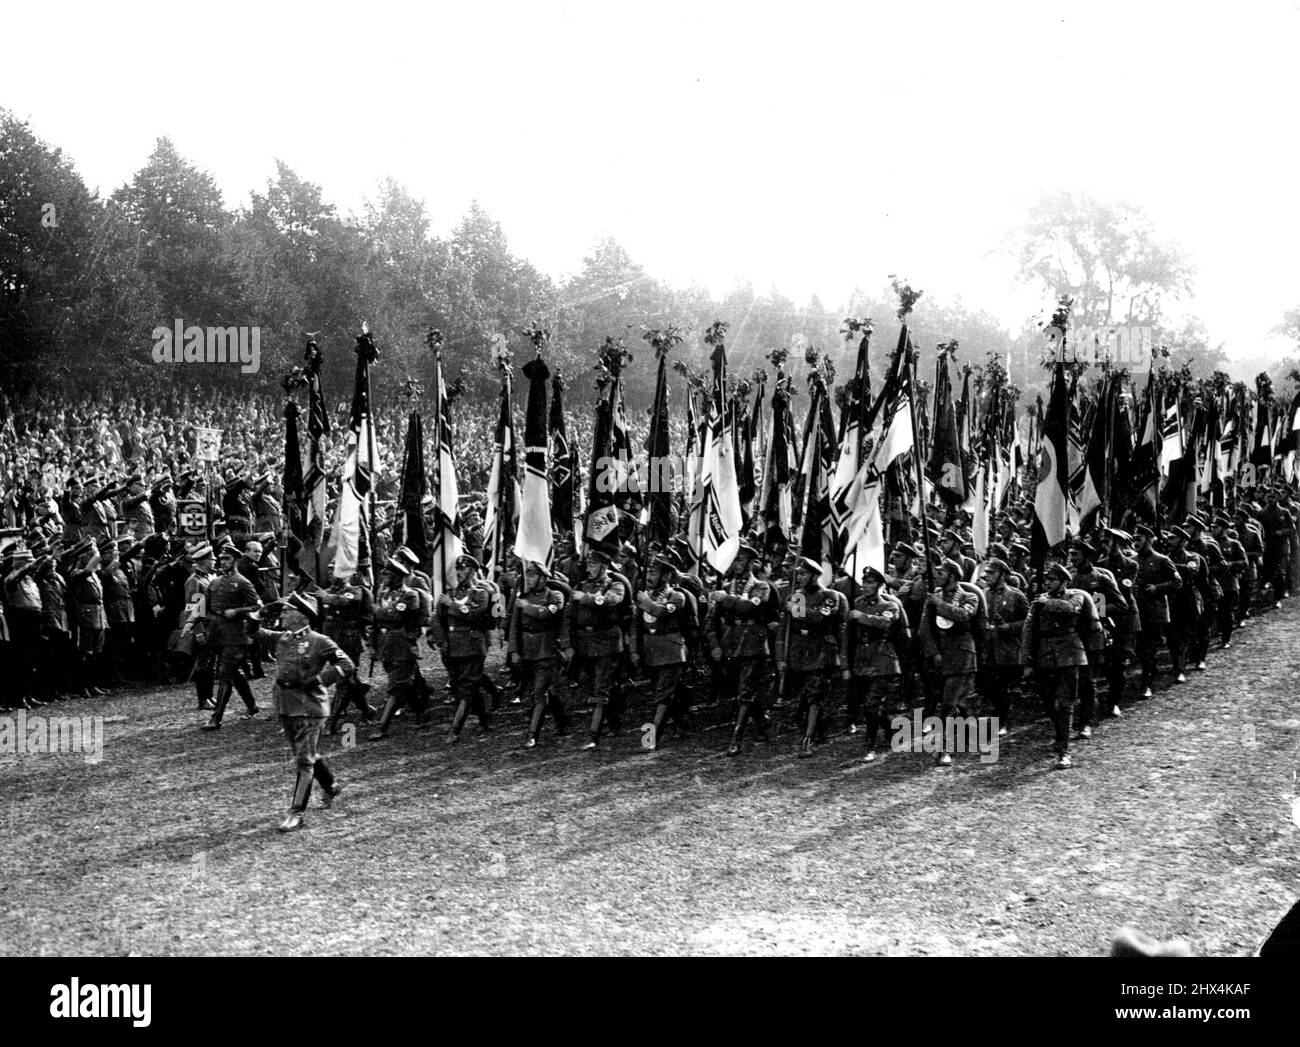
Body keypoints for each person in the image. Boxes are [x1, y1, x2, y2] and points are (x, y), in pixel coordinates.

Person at [255, 592, 354, 833]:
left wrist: (319, 679)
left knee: (303, 759)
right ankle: (330, 785)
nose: (283, 614)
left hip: (310, 707)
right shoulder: (282, 638)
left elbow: (347, 665)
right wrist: (259, 612)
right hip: (287, 705)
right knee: (306, 753)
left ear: (301, 617)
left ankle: (296, 813)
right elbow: (252, 632)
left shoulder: (320, 641)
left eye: (288, 611)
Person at [774, 556, 848, 758]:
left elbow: (821, 617)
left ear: (815, 575)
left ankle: (808, 739)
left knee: (816, 695)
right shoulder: (797, 596)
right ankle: (818, 728)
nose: (799, 578)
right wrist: (781, 657)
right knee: (805, 696)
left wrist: (796, 609)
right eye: (798, 574)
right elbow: (785, 629)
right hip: (799, 652)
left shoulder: (831, 595)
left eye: (804, 574)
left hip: (820, 650)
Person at [1021, 561, 1088, 770]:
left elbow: (1071, 609)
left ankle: (1063, 751)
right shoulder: (1038, 602)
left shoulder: (1076, 595)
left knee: (1064, 704)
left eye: (1053, 580)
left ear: (1064, 582)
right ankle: (1061, 734)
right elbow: (1028, 632)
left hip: (1070, 654)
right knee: (1049, 702)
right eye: (1047, 580)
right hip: (1045, 656)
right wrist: (1027, 661)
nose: (1048, 583)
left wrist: (1045, 603)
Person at [710, 542, 775, 757]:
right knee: (740, 690)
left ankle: (736, 739)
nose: (736, 564)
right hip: (730, 646)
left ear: (751, 563)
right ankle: (763, 720)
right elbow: (710, 622)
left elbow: (752, 607)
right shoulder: (725, 587)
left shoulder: (761, 587)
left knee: (744, 692)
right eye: (735, 559)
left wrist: (726, 599)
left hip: (752, 645)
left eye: (741, 560)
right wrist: (715, 645)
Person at [563, 548, 628, 750]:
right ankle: (616, 721)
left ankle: (593, 735)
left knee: (600, 689)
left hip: (606, 642)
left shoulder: (616, 584)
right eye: (588, 564)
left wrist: (585, 598)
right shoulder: (581, 585)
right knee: (600, 686)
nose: (589, 568)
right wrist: (567, 644)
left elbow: (610, 601)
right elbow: (568, 617)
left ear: (604, 566)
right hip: (584, 643)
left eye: (593, 564)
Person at [843, 565, 909, 762]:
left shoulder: (890, 605)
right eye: (864, 582)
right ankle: (892, 731)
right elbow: (847, 637)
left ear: (881, 586)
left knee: (872, 704)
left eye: (870, 582)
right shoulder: (857, 603)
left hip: (883, 660)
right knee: (869, 705)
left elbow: (884, 623)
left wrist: (861, 616)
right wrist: (846, 665)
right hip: (862, 660)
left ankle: (869, 747)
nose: (865, 586)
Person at [631, 553, 690, 751]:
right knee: (664, 694)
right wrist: (634, 651)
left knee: (661, 697)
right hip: (651, 652)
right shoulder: (645, 595)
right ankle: (682, 724)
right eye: (648, 571)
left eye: (654, 573)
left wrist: (644, 601)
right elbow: (636, 627)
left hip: (671, 651)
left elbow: (661, 612)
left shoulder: (677, 596)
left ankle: (649, 741)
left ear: (665, 576)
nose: (649, 576)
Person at [200, 541, 262, 730]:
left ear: (235, 560)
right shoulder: (215, 582)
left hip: (236, 635)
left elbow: (257, 606)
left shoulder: (243, 582)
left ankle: (216, 718)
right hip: (217, 634)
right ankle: (252, 706)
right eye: (221, 559)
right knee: (233, 673)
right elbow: (205, 607)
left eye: (227, 559)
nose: (223, 561)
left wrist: (237, 611)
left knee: (225, 674)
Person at [509, 560, 570, 748]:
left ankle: (532, 734)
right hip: (527, 650)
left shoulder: (555, 595)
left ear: (543, 578)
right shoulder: (523, 596)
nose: (529, 579)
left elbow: (546, 613)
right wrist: (513, 650)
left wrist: (526, 606)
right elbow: (514, 625)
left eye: (533, 575)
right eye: (528, 575)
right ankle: (562, 722)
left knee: (539, 693)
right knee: (543, 692)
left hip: (546, 650)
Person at [435, 554, 494, 742]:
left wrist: (451, 605)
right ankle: (485, 717)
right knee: (466, 687)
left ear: (472, 572)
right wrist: (440, 638)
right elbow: (438, 619)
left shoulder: (480, 593)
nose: (459, 573)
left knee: (466, 689)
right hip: (453, 646)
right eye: (457, 569)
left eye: (463, 569)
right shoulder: (450, 593)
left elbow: (474, 614)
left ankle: (455, 730)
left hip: (472, 645)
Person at [367, 557, 428, 741]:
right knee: (404, 685)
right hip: (385, 645)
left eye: (387, 574)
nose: (383, 576)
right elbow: (375, 621)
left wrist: (377, 610)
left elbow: (394, 615)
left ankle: (382, 727)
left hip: (403, 645)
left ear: (397, 576)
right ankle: (420, 709)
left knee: (394, 688)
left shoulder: (409, 595)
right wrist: (371, 644)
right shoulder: (382, 594)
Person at [978, 557, 1028, 737]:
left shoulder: (1016, 595)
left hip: (1007, 650)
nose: (987, 576)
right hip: (988, 649)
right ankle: (999, 714)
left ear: (1003, 574)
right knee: (987, 686)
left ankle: (1003, 721)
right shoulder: (982, 594)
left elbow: (1027, 622)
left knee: (1001, 686)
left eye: (991, 573)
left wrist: (1010, 627)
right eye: (986, 573)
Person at [321, 568, 375, 734]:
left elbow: (346, 601)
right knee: (349, 680)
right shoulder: (327, 592)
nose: (331, 574)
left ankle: (331, 722)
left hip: (349, 640)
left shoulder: (355, 591)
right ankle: (366, 710)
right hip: (332, 640)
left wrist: (327, 597)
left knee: (343, 680)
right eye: (329, 571)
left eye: (335, 571)